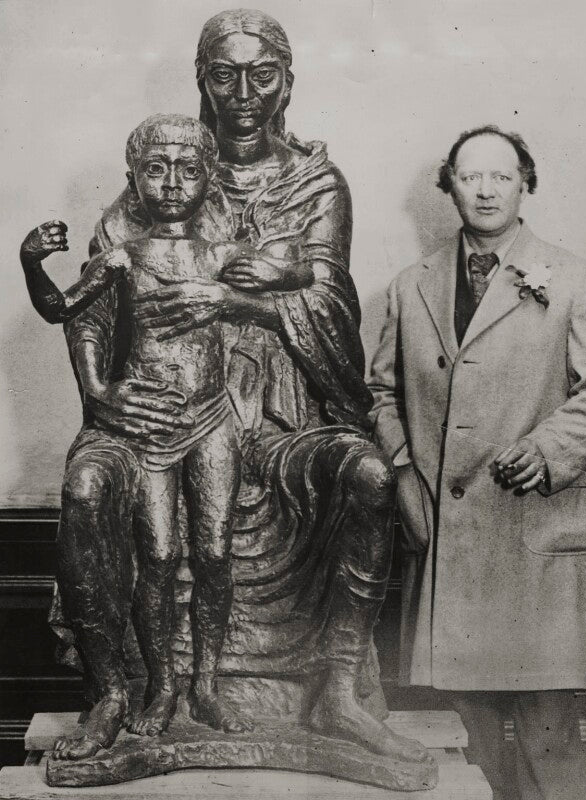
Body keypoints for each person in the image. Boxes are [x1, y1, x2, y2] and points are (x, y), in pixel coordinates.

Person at [46, 8, 425, 766]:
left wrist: (237, 302)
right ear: (201, 81)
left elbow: (335, 308)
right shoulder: (163, 169)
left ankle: (338, 692)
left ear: (289, 80)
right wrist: (100, 396)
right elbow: (90, 308)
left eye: (263, 74)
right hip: (156, 413)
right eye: (224, 74)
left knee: (370, 477)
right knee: (89, 488)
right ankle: (119, 692)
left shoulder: (315, 184)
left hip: (285, 411)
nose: (244, 92)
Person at [20, 114, 309, 739]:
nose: (173, 183)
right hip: (151, 426)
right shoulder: (120, 258)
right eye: (156, 169)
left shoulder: (225, 255)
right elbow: (61, 309)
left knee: (213, 551)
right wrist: (29, 262)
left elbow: (300, 280)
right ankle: (162, 686)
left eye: (188, 169)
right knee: (158, 555)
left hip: (211, 421)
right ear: (133, 179)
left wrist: (266, 279)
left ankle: (206, 685)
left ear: (209, 178)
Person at [368, 124, 586, 798]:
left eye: (500, 176)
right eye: (470, 176)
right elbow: (379, 392)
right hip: (446, 549)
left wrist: (548, 448)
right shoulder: (408, 286)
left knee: (548, 743)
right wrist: (400, 472)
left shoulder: (573, 278)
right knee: (467, 743)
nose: (484, 189)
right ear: (449, 185)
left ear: (525, 183)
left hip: (532, 539)